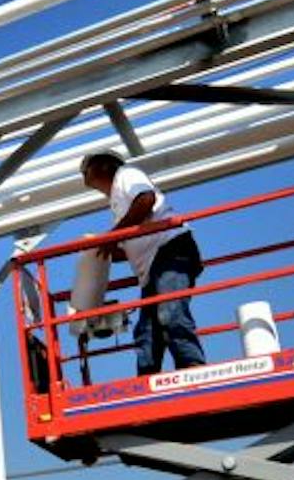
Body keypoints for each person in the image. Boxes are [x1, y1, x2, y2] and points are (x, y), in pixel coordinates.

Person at [78, 152, 206, 375]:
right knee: (147, 331)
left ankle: (191, 365)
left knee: (170, 311)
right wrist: (101, 250)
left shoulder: (127, 175)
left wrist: (112, 237)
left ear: (105, 166)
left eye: (87, 169)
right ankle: (147, 377)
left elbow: (146, 200)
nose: (84, 175)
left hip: (169, 251)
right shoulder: (117, 201)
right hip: (154, 264)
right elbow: (128, 245)